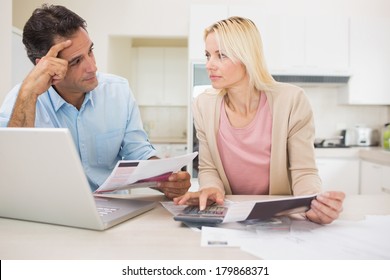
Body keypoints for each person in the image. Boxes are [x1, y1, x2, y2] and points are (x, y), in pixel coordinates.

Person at [0, 4, 190, 199]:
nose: (92, 67)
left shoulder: (118, 91)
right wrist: (29, 93)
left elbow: (138, 152)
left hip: (112, 207)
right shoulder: (21, 100)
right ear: (46, 66)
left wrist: (166, 179)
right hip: (54, 210)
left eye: (90, 51)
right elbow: (12, 170)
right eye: (76, 61)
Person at [174, 16, 345, 224]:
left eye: (221, 55)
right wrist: (211, 189)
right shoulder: (203, 105)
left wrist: (315, 205)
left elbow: (304, 172)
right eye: (208, 55)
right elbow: (208, 168)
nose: (209, 65)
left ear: (247, 57)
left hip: (279, 219)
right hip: (230, 217)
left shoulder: (292, 100)